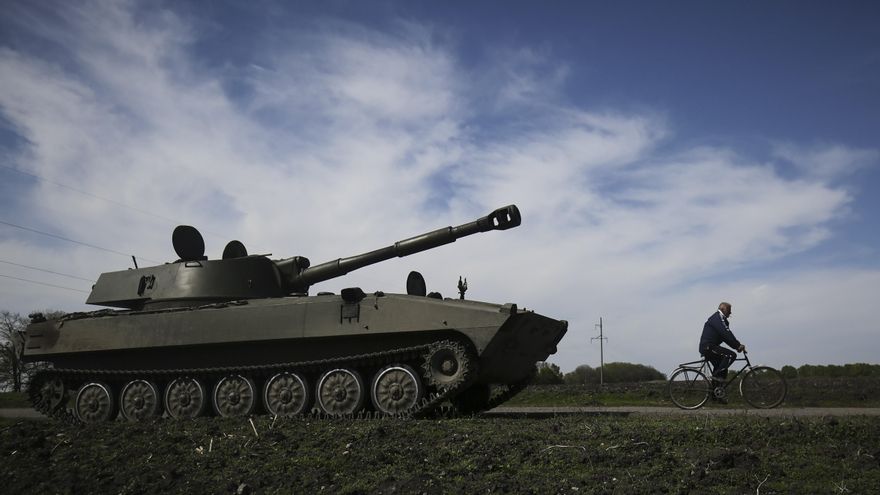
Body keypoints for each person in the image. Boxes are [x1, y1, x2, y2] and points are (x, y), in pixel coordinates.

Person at [699, 302, 745, 401]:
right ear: (723, 309)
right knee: (730, 356)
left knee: (722, 369)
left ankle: (716, 397)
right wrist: (737, 345)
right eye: (729, 310)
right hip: (708, 347)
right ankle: (715, 377)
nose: (730, 313)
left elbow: (726, 338)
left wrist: (736, 346)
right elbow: (726, 333)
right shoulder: (717, 318)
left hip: (711, 347)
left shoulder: (722, 320)